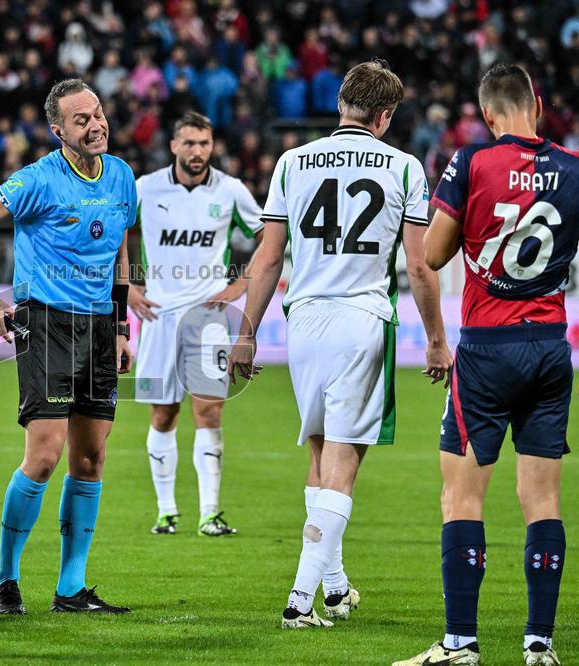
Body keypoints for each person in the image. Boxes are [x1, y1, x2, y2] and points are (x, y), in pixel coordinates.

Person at [228, 61, 452, 628]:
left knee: (321, 451)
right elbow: (420, 268)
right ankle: (299, 602)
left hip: (303, 320)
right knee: (345, 464)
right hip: (361, 321)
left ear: (341, 106)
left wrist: (247, 334)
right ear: (384, 115)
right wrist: (434, 340)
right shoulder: (403, 167)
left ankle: (333, 588)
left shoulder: (291, 161)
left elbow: (268, 257)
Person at [395, 64, 576, 666]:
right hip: (552, 344)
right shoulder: (574, 170)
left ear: (488, 115)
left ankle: (459, 644)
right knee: (543, 500)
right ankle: (539, 644)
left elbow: (437, 251)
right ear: (539, 105)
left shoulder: (472, 161)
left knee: (462, 498)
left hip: (488, 348)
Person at [0, 79, 136, 615]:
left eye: (98, 113)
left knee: (92, 456)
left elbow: (122, 249)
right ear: (58, 132)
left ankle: (71, 589)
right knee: (46, 455)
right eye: (81, 120)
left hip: (100, 329)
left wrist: (122, 328)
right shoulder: (38, 179)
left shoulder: (122, 176)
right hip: (47, 323)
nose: (96, 124)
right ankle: (6, 578)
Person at [129, 110, 263, 537]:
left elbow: (270, 240)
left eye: (204, 143)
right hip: (158, 316)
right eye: (189, 143)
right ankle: (166, 512)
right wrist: (126, 288)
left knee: (209, 411)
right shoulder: (145, 189)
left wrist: (238, 286)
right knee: (163, 414)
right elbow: (114, 236)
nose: (197, 152)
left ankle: (210, 513)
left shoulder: (231, 191)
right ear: (173, 146)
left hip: (208, 319)